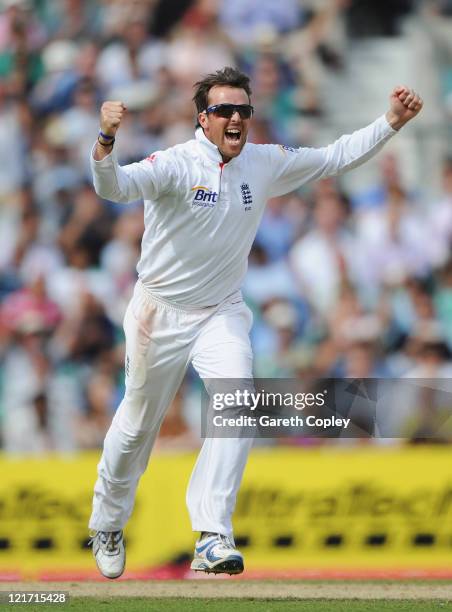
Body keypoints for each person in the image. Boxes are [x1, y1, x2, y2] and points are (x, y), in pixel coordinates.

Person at [88, 66, 423, 578]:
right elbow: (115, 189)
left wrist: (390, 122)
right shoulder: (176, 164)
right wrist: (106, 139)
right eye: (225, 110)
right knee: (136, 427)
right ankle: (108, 521)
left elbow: (334, 157)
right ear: (204, 119)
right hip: (160, 311)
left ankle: (212, 535)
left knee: (238, 403)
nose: (237, 118)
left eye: (244, 109)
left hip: (221, 310)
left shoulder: (263, 162)